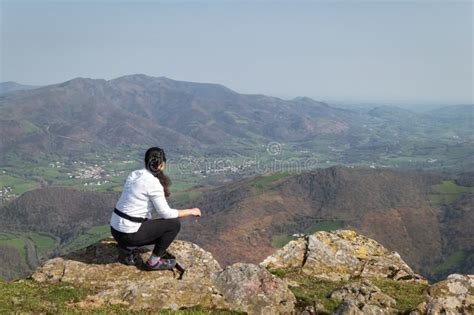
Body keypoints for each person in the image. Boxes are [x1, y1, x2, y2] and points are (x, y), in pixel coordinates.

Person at [110, 147, 202, 270]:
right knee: (173, 224)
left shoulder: (134, 174)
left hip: (115, 230)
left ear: (145, 161)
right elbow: (166, 214)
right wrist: (191, 211)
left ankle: (127, 248)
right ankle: (153, 262)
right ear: (162, 165)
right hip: (129, 234)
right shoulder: (153, 184)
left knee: (145, 219)